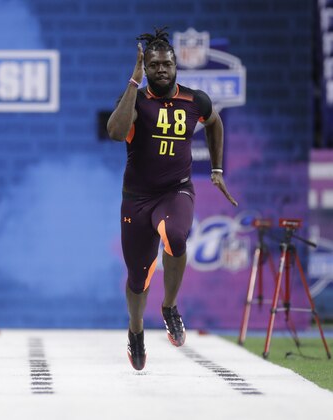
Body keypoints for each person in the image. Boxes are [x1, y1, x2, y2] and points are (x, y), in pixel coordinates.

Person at [107, 27, 238, 371]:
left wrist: (217, 170)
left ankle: (169, 306)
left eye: (166, 64)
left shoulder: (195, 100)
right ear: (145, 68)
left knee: (177, 236)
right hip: (136, 198)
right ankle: (136, 332)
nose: (161, 70)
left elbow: (215, 123)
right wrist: (133, 84)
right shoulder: (138, 100)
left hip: (175, 190)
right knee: (138, 277)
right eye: (153, 65)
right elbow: (115, 132)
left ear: (176, 65)